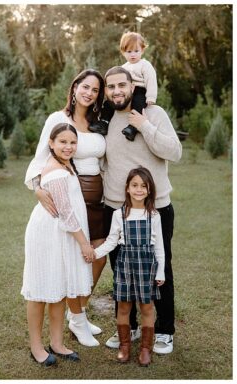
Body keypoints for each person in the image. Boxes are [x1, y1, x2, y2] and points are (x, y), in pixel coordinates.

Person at [98, 65, 181, 353]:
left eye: (122, 85)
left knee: (159, 267)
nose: (117, 91)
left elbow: (175, 151)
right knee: (121, 271)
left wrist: (144, 125)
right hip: (115, 210)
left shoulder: (153, 113)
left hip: (154, 210)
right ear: (106, 91)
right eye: (111, 87)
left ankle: (165, 330)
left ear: (132, 86)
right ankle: (130, 327)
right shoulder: (105, 119)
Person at [27, 70, 107, 343]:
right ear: (74, 87)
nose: (89, 93)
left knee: (98, 256)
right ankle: (79, 319)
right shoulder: (58, 119)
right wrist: (38, 188)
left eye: (95, 90)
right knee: (77, 257)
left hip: (98, 200)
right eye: (85, 86)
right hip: (71, 195)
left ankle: (79, 312)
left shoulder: (98, 122)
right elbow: (40, 157)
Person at [21, 123, 95, 366]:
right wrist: (85, 244)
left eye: (72, 142)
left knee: (59, 289)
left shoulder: (66, 164)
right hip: (48, 235)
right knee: (40, 290)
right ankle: (36, 346)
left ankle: (57, 342)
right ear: (51, 143)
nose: (68, 146)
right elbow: (65, 212)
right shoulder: (55, 171)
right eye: (62, 142)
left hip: (62, 235)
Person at [94, 167, 165, 366]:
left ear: (149, 190)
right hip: (125, 263)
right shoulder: (119, 214)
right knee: (124, 306)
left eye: (143, 186)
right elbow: (111, 241)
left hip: (146, 265)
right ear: (127, 188)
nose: (139, 189)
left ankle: (145, 348)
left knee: (147, 307)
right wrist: (95, 254)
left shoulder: (154, 216)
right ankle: (124, 346)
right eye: (134, 185)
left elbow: (159, 247)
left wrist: (160, 272)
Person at [118, 32, 158, 141]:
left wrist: (151, 97)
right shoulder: (123, 67)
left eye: (136, 51)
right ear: (123, 52)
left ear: (142, 50)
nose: (133, 54)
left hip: (140, 90)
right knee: (109, 104)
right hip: (126, 91)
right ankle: (104, 122)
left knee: (138, 103)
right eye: (129, 51)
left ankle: (132, 128)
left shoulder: (145, 65)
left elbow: (151, 80)